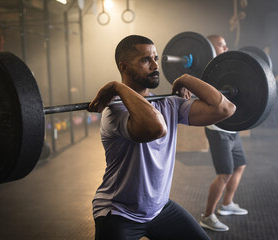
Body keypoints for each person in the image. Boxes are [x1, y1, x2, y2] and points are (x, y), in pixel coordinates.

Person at [88, 35, 236, 240]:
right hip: (119, 213)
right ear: (124, 67)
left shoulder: (169, 103)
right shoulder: (115, 110)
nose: (155, 65)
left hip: (159, 208)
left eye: (155, 58)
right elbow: (155, 128)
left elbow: (225, 108)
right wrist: (118, 88)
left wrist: (186, 79)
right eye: (145, 60)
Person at [199, 35, 248, 232]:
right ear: (210, 48)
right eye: (221, 44)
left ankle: (227, 204)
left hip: (232, 127)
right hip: (218, 129)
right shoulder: (207, 72)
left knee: (240, 165)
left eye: (226, 44)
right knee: (224, 173)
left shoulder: (228, 69)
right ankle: (208, 216)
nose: (226, 47)